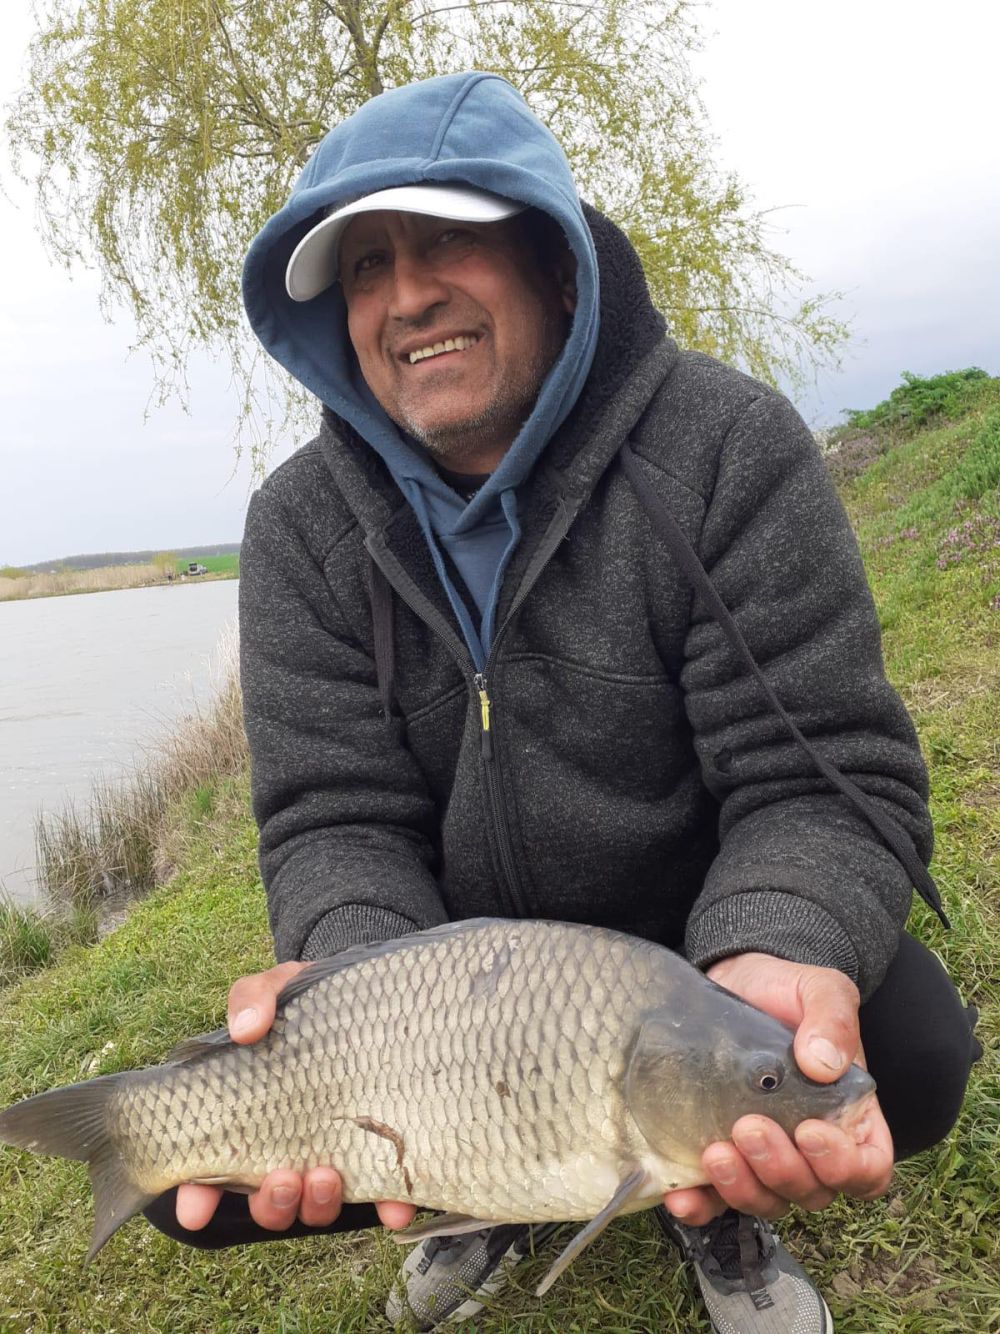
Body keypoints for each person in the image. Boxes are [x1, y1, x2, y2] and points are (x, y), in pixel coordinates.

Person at [143, 72, 980, 1331]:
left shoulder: (724, 445)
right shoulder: (299, 525)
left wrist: (775, 940)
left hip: (683, 955)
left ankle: (712, 1190)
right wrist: (358, 995)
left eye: (446, 241)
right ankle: (475, 1181)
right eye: (366, 267)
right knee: (184, 1182)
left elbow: (817, 771)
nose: (406, 295)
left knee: (900, 1056)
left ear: (554, 264)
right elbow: (333, 815)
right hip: (450, 986)